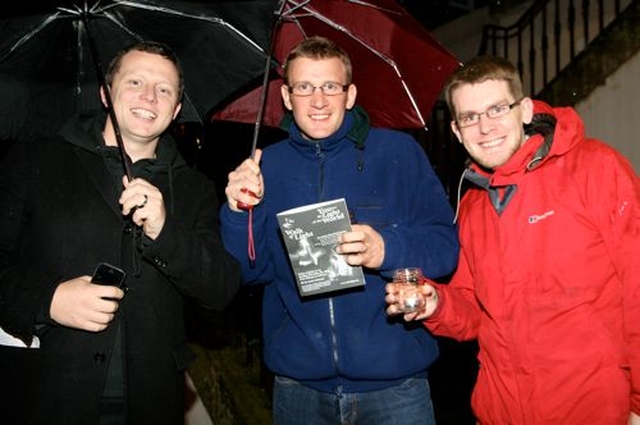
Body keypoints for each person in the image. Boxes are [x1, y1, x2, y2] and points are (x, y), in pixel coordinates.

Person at [386, 55, 640, 424]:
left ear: (523, 110)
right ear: (457, 131)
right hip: (501, 412)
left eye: (496, 109)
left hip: (595, 409)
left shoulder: (595, 168)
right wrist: (435, 303)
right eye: (470, 117)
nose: (485, 127)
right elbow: (474, 312)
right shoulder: (474, 205)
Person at [221, 36, 459, 424]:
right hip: (299, 389)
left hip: (395, 387)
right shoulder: (266, 166)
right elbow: (248, 271)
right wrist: (236, 212)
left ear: (350, 95)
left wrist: (385, 248)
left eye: (330, 86)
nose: (318, 100)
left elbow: (445, 247)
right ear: (286, 96)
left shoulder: (397, 153)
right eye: (304, 87)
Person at [0, 41, 241, 424]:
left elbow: (220, 289)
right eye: (135, 82)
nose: (149, 96)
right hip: (46, 393)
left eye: (164, 89)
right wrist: (48, 299)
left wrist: (164, 231)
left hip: (150, 399)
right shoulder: (35, 160)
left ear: (176, 108)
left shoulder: (194, 188)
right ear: (105, 92)